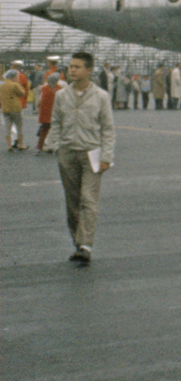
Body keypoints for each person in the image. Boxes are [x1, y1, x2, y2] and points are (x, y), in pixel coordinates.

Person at [52, 51, 116, 264]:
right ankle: (78, 242)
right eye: (70, 66)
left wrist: (106, 156)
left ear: (89, 70)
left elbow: (108, 129)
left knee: (88, 200)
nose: (72, 70)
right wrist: (55, 146)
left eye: (77, 66)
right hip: (68, 153)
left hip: (92, 154)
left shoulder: (101, 96)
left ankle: (86, 245)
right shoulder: (61, 95)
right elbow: (56, 122)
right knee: (72, 203)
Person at [35, 72, 62, 153]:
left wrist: (37, 108)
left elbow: (39, 101)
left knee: (44, 130)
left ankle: (39, 147)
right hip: (55, 112)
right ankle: (53, 146)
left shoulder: (43, 88)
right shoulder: (59, 88)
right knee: (56, 130)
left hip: (45, 112)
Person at [2, 70, 26, 150]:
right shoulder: (15, 85)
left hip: (5, 109)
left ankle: (9, 145)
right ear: (13, 77)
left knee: (7, 127)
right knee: (19, 126)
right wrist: (19, 85)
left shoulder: (2, 86)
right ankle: (21, 144)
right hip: (15, 109)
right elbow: (22, 93)